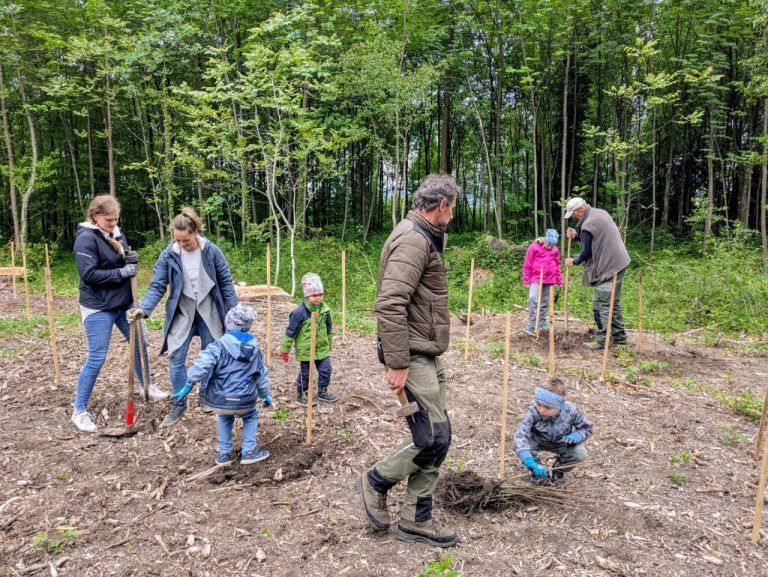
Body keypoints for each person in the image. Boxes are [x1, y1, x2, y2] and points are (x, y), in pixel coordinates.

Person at [358, 173, 460, 548]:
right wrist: (398, 362)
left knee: (438, 436)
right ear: (442, 205)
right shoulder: (413, 240)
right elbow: (389, 303)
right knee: (430, 436)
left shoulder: (424, 235)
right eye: (452, 208)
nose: (452, 214)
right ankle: (376, 480)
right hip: (412, 354)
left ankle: (416, 519)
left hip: (425, 350)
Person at [127, 207, 238, 427]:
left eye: (185, 240)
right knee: (176, 357)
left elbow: (225, 283)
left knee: (210, 355)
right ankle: (180, 401)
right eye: (177, 240)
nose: (181, 244)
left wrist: (234, 314)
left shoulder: (211, 251)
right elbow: (158, 284)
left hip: (208, 309)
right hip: (183, 311)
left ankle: (206, 395)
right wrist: (144, 308)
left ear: (195, 231)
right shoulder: (169, 254)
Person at [71, 196, 169, 433]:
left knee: (140, 343)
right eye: (108, 220)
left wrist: (129, 258)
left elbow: (120, 257)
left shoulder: (115, 233)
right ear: (95, 215)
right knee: (97, 356)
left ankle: (147, 384)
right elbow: (89, 275)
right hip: (99, 306)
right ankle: (79, 411)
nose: (113, 223)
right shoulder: (85, 239)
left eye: (116, 219)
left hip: (123, 302)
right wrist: (122, 272)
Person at [173, 304, 272, 466]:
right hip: (245, 400)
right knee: (251, 415)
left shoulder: (217, 347)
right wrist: (265, 395)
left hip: (220, 399)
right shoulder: (255, 351)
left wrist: (188, 385)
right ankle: (249, 450)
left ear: (229, 324)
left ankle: (224, 453)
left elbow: (202, 365)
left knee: (225, 417)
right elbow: (261, 375)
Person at [564, 197, 631, 350]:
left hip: (611, 266)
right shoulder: (599, 213)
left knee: (601, 304)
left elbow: (587, 251)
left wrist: (574, 261)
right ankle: (619, 336)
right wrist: (577, 236)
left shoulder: (588, 224)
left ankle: (603, 341)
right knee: (612, 301)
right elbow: (593, 240)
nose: (573, 217)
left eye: (573, 214)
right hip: (619, 262)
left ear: (580, 209)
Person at [514, 375, 593, 485]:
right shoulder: (532, 410)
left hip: (562, 442)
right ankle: (537, 470)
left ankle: (558, 470)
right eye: (539, 404)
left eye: (548, 408)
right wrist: (528, 460)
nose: (541, 410)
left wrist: (577, 436)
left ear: (559, 406)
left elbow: (587, 427)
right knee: (520, 445)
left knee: (580, 454)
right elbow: (520, 435)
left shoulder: (570, 411)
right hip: (537, 440)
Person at [280, 272, 338, 405]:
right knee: (305, 374)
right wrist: (285, 349)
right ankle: (302, 394)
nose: (318, 298)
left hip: (322, 348)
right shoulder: (298, 313)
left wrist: (329, 342)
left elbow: (329, 328)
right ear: (307, 296)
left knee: (326, 370)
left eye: (320, 294)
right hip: (306, 349)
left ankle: (322, 391)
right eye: (314, 295)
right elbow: (290, 332)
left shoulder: (325, 310)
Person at [522, 228, 563, 335]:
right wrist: (526, 280)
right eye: (549, 244)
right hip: (536, 278)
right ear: (545, 239)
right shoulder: (534, 246)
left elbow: (557, 265)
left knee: (544, 302)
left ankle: (542, 322)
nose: (550, 246)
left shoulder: (555, 250)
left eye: (552, 245)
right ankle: (532, 323)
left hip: (549, 279)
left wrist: (559, 280)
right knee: (533, 298)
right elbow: (527, 263)